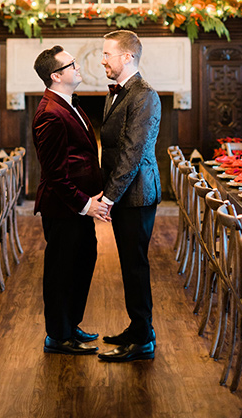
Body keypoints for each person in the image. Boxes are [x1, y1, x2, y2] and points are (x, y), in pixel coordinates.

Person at [32, 45, 109, 356]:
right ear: (56, 75)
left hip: (77, 207)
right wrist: (86, 204)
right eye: (71, 64)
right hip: (64, 208)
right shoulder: (49, 113)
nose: (78, 67)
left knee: (82, 262)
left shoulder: (67, 102)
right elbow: (54, 174)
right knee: (61, 271)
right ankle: (57, 336)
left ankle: (69, 326)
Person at [98, 29, 161, 363]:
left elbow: (132, 153)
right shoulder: (117, 93)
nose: (102, 59)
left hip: (136, 195)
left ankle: (143, 339)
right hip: (124, 194)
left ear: (126, 57)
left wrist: (108, 197)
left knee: (135, 266)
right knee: (129, 265)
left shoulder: (144, 95)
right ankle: (139, 328)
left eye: (107, 53)